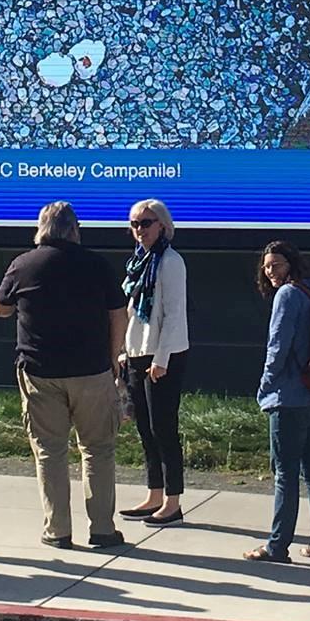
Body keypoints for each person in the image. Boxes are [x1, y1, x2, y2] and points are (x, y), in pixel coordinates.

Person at [0, 201, 129, 549]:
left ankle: (57, 531)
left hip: (40, 373)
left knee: (50, 452)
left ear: (41, 230)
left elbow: (0, 307)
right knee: (98, 449)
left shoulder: (23, 264)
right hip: (92, 370)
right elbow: (118, 314)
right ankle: (101, 529)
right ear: (73, 229)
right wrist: (114, 359)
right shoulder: (96, 264)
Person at [245, 240, 310, 564]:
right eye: (267, 266)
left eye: (277, 264)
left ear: (292, 264)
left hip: (288, 397)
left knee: (284, 472)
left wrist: (264, 387)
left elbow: (277, 347)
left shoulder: (287, 295)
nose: (271, 271)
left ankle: (277, 545)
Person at [118, 198, 190, 526]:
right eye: (134, 224)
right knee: (145, 428)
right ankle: (154, 494)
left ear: (162, 224)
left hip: (164, 355)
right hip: (137, 352)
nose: (139, 230)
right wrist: (123, 349)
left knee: (164, 428)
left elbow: (174, 314)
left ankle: (173, 502)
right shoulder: (139, 262)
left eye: (145, 223)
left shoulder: (170, 261)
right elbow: (131, 313)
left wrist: (161, 359)